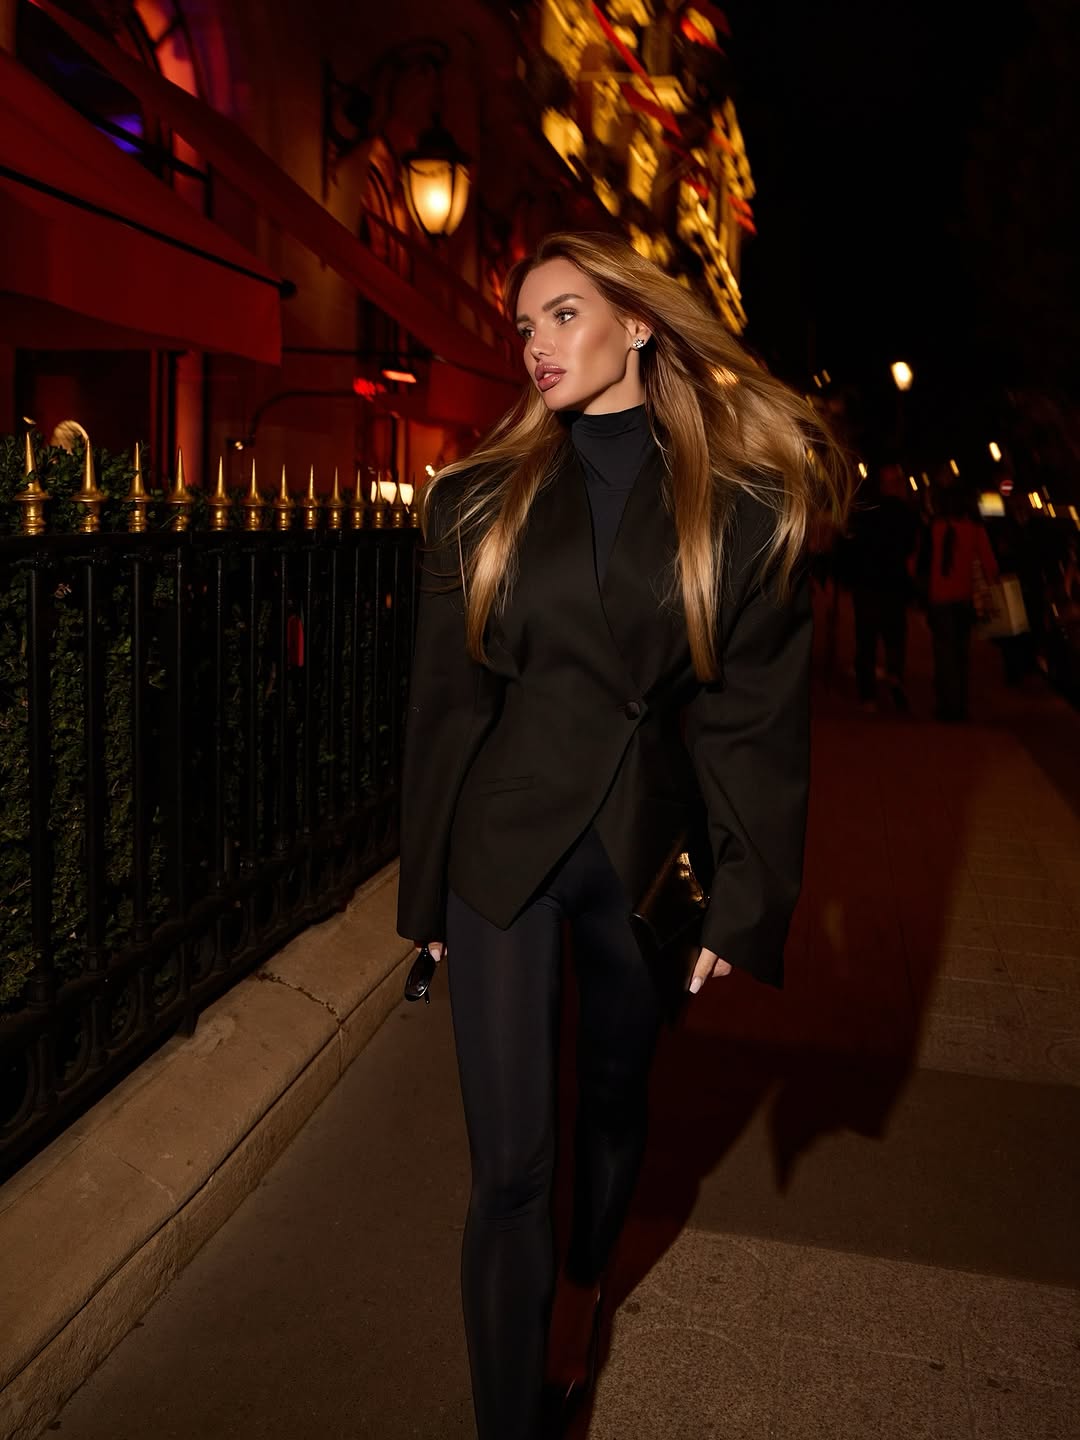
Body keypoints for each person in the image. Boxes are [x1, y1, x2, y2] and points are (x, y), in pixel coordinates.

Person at [395, 231, 851, 1440]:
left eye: (562, 314)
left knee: (611, 1110)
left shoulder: (737, 508)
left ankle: (583, 1287)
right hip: (502, 850)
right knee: (510, 1170)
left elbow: (753, 722)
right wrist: (426, 901)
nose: (535, 346)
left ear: (637, 323)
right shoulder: (476, 497)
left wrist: (746, 895)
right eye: (524, 326)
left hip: (642, 854)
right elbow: (446, 712)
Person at [920, 472, 1000, 722]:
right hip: (964, 599)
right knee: (961, 652)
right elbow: (990, 564)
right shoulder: (974, 530)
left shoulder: (933, 528)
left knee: (943, 652)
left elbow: (918, 562)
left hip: (939, 598)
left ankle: (946, 703)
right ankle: (959, 704)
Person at [841, 460, 920, 712]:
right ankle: (894, 678)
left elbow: (850, 545)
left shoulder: (865, 511)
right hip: (892, 583)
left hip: (868, 583)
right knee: (894, 637)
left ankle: (868, 694)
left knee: (866, 639)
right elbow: (910, 547)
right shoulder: (905, 514)